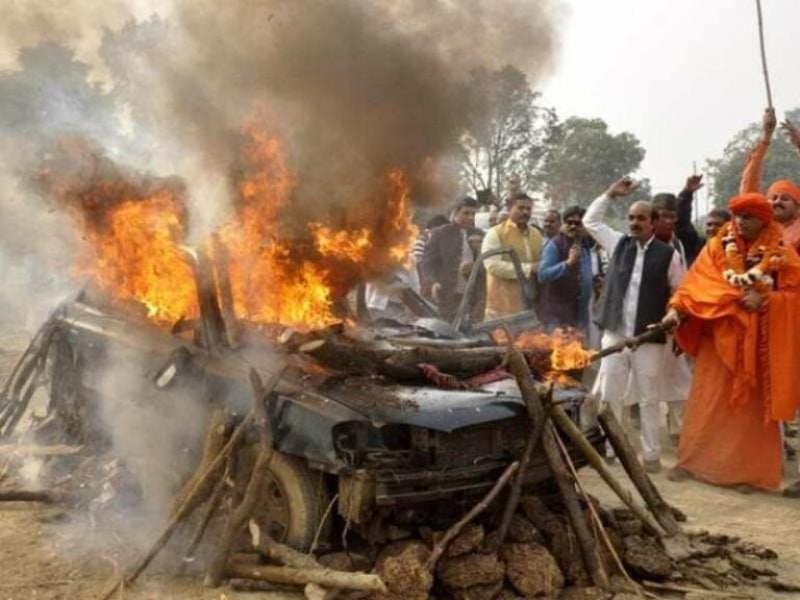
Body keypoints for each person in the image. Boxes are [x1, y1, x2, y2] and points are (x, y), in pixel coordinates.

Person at [663, 192, 800, 492]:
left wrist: (765, 299)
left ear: (763, 220)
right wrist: (674, 311)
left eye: (748, 217)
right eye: (737, 216)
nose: (740, 222)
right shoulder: (716, 247)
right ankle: (694, 463)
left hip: (756, 344)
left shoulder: (781, 249)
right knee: (707, 402)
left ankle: (746, 475)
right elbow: (691, 287)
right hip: (716, 341)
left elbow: (795, 294)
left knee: (746, 415)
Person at [584, 177, 684, 473]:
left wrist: (672, 314)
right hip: (614, 334)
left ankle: (651, 456)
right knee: (610, 394)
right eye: (631, 218)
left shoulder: (669, 255)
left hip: (648, 338)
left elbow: (681, 292)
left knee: (649, 398)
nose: (634, 223)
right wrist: (609, 194)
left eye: (640, 218)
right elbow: (591, 222)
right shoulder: (618, 243)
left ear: (653, 222)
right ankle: (612, 450)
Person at [740, 108, 800, 252]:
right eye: (773, 198)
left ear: (798, 206)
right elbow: (748, 186)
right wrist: (766, 136)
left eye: (785, 198)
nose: (777, 201)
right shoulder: (758, 228)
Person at [481, 192, 543, 320]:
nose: (525, 212)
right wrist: (529, 269)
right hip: (500, 307)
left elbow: (541, 263)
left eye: (528, 209)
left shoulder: (536, 234)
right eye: (520, 208)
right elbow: (492, 265)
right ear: (509, 209)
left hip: (528, 305)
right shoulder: (495, 233)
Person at [419, 197, 479, 321]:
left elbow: (486, 264)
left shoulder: (479, 234)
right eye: (466, 213)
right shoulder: (441, 233)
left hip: (471, 296)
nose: (470, 217)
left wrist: (475, 262)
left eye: (473, 214)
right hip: (446, 295)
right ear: (455, 212)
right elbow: (426, 264)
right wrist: (433, 283)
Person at [537, 206, 593, 333]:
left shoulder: (585, 245)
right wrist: (567, 264)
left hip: (579, 314)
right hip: (557, 317)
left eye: (577, 223)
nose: (573, 226)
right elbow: (542, 275)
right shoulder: (555, 244)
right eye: (569, 222)